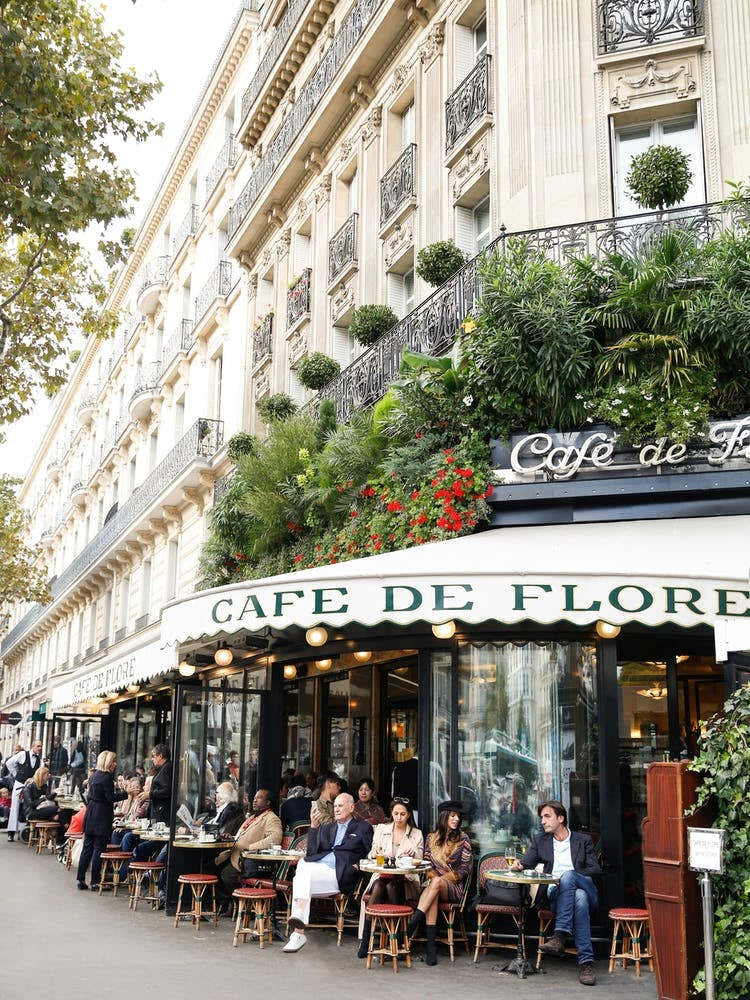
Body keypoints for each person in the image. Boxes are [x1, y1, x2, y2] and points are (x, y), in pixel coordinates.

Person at [516, 799, 602, 987]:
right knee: (579, 899)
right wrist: (518, 864)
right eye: (541, 818)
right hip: (557, 896)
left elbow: (595, 869)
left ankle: (559, 935)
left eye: (547, 816)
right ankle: (586, 964)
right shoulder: (541, 841)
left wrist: (571, 876)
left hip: (586, 887)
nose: (542, 821)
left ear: (561, 818)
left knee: (569, 876)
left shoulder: (583, 840)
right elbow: (527, 862)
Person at [283, 792, 373, 953]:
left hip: (340, 874)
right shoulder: (328, 827)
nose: (336, 809)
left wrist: (359, 865)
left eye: (340, 806)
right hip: (317, 873)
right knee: (304, 865)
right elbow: (311, 854)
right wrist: (313, 827)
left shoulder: (363, 827)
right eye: (335, 806)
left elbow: (371, 853)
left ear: (351, 807)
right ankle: (298, 933)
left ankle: (298, 929)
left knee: (302, 872)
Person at [407, 799, 473, 965]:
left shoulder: (463, 839)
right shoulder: (431, 838)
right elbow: (427, 863)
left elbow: (463, 870)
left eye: (458, 816)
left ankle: (412, 924)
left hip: (453, 888)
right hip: (433, 887)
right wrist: (434, 879)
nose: (456, 819)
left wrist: (439, 880)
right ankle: (431, 948)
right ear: (444, 817)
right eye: (452, 815)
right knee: (433, 890)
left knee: (435, 884)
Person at [357, 797, 424, 958]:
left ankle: (395, 939)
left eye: (402, 814)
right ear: (391, 813)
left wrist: (413, 854)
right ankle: (367, 940)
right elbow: (371, 853)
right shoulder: (381, 829)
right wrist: (376, 854)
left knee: (390, 886)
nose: (399, 818)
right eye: (395, 814)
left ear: (408, 815)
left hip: (406, 881)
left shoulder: (416, 834)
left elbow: (420, 860)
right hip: (382, 876)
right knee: (381, 885)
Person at [214, 788, 282, 905]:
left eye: (259, 798)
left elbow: (275, 839)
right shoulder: (253, 817)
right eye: (254, 798)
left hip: (247, 861)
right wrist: (232, 837)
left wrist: (251, 847)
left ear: (268, 802)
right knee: (212, 867)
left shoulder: (272, 818)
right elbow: (242, 835)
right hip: (234, 855)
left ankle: (241, 904)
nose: (254, 801)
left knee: (227, 875)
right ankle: (228, 903)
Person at [76, 750, 127, 891]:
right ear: (109, 763)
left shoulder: (94, 776)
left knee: (87, 848)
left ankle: (80, 879)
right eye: (113, 761)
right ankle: (95, 881)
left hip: (91, 812)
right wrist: (125, 794)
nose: (115, 764)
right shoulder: (107, 778)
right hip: (102, 815)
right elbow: (111, 798)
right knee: (98, 849)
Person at [6, 739, 43, 842]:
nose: (40, 748)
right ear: (33, 746)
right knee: (15, 806)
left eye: (41, 746)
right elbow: (9, 763)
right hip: (19, 783)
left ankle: (23, 830)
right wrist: (16, 774)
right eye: (38, 746)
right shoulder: (23, 754)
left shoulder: (39, 760)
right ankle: (11, 832)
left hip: (29, 786)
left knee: (27, 806)